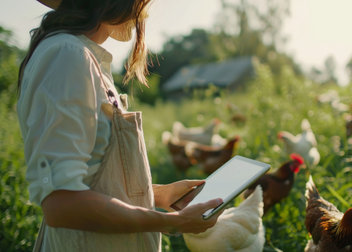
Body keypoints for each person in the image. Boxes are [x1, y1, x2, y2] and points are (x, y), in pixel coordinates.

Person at [17, 0, 223, 251]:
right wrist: (173, 222)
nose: (144, 11)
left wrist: (155, 194)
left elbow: (92, 179)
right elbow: (62, 203)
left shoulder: (81, 55)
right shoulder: (68, 56)